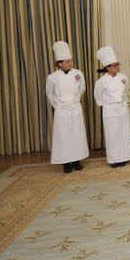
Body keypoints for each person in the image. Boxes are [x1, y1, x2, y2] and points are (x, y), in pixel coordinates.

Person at [45, 41, 90, 173]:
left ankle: (77, 160)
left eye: (71, 60)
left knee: (76, 134)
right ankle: (66, 162)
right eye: (67, 61)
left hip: (75, 108)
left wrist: (74, 102)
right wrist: (58, 106)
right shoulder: (52, 77)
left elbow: (82, 89)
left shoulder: (78, 74)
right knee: (63, 136)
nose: (70, 63)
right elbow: (49, 93)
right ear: (60, 63)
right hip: (61, 110)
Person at [94, 46, 130, 168]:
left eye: (118, 64)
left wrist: (122, 103)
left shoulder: (123, 78)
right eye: (114, 65)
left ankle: (124, 157)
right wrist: (106, 105)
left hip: (122, 108)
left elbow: (126, 91)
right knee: (112, 134)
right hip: (109, 110)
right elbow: (98, 96)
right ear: (107, 67)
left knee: (124, 132)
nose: (117, 67)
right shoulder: (101, 82)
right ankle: (114, 159)